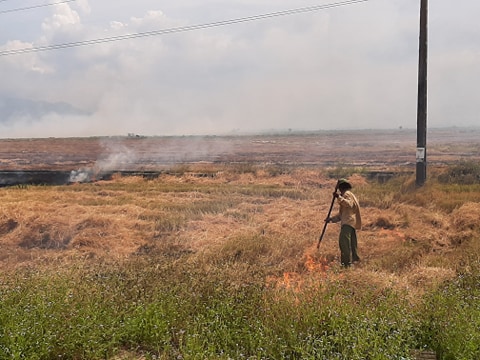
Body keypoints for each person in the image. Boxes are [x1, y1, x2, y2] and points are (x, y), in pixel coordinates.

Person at [326, 178, 362, 267]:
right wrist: (330, 219)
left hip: (348, 223)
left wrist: (338, 197)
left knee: (344, 243)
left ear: (341, 188)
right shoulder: (349, 195)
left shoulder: (347, 194)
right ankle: (355, 261)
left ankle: (346, 264)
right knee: (352, 244)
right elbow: (341, 215)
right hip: (351, 222)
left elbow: (349, 204)